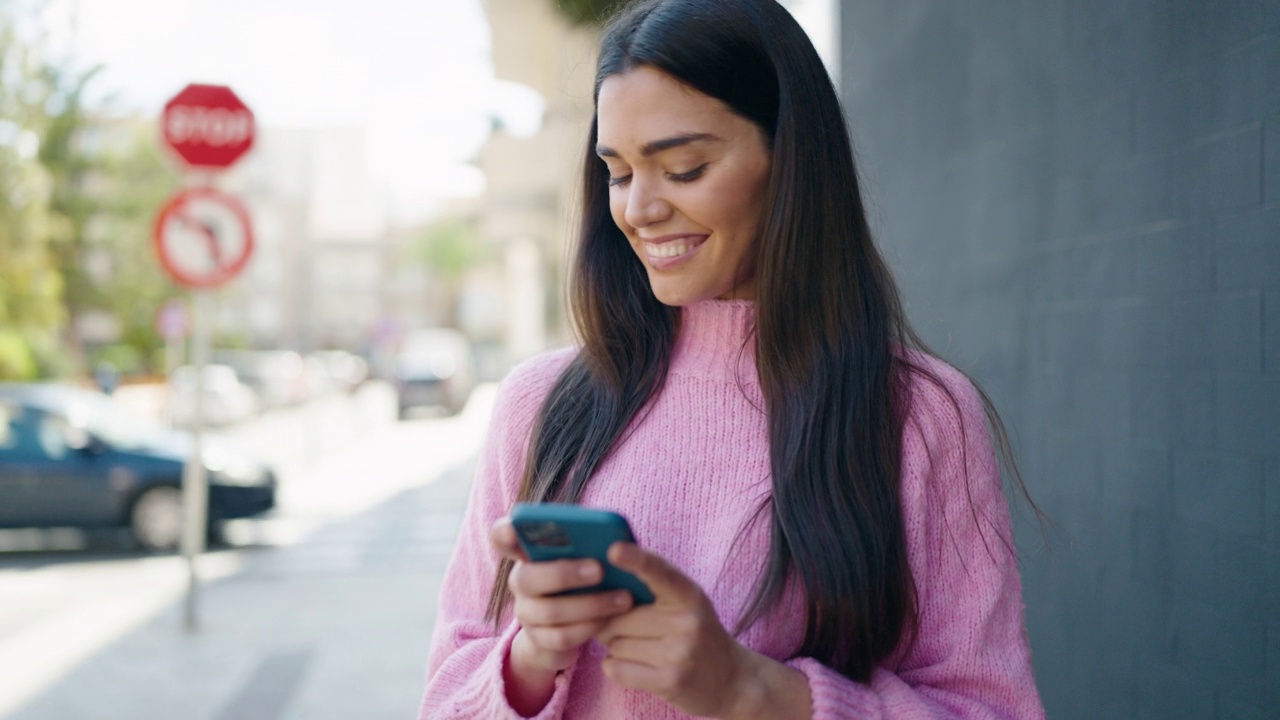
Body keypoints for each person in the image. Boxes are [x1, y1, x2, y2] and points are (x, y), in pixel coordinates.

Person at [419, 0, 1044, 717]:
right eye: (618, 173)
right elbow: (443, 694)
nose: (638, 209)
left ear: (790, 161)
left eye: (683, 168)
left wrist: (756, 692)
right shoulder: (541, 402)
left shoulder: (919, 414)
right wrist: (529, 661)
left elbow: (992, 708)